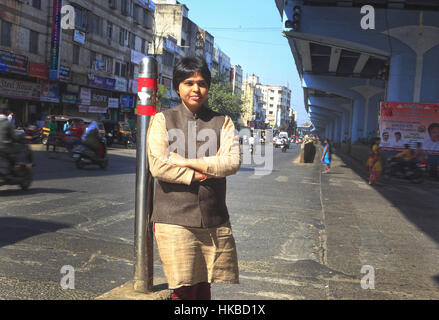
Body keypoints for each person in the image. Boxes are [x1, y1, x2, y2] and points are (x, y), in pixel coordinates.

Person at [147, 56, 241, 300]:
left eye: (201, 83)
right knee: (184, 287)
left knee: (203, 285)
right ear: (178, 86)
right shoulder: (163, 120)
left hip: (214, 218)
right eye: (189, 82)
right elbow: (159, 166)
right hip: (174, 218)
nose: (196, 89)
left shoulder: (223, 122)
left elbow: (232, 162)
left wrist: (188, 161)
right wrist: (199, 175)